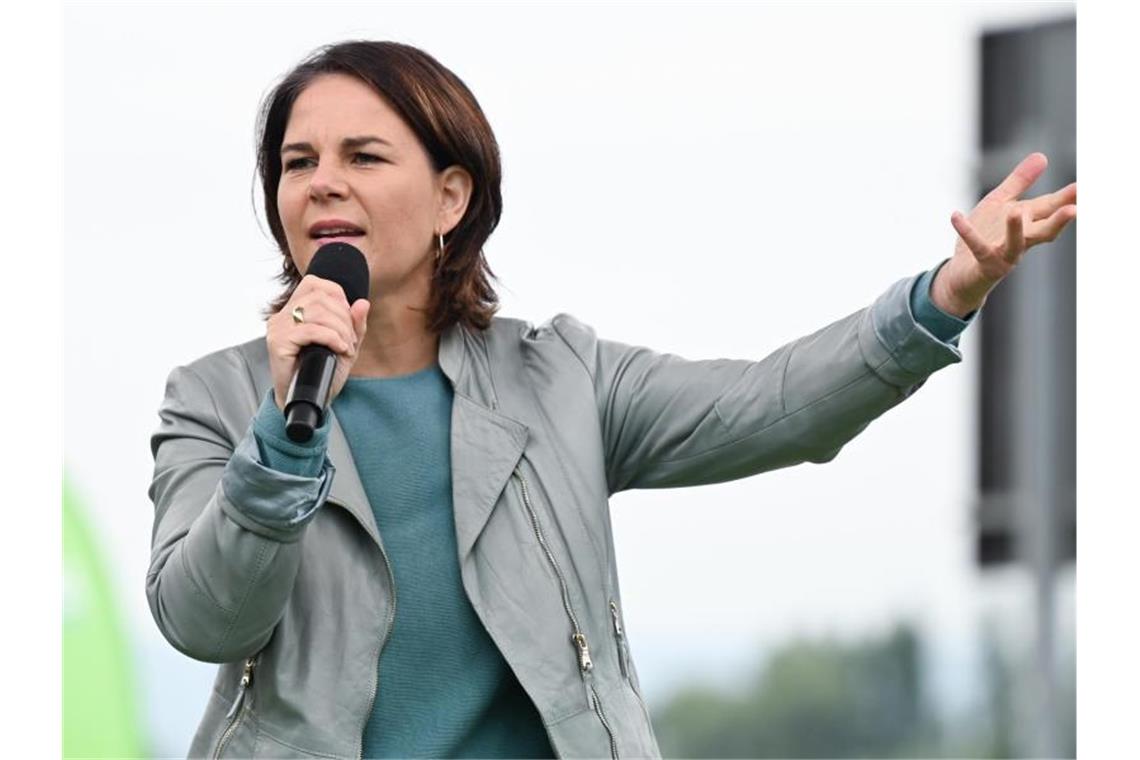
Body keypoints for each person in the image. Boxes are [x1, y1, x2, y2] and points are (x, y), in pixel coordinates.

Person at [146, 40, 1077, 760]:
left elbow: (774, 405)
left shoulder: (561, 380)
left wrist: (944, 296)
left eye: (364, 155)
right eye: (298, 161)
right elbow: (204, 621)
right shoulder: (219, 399)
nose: (323, 183)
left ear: (451, 198)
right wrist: (280, 440)